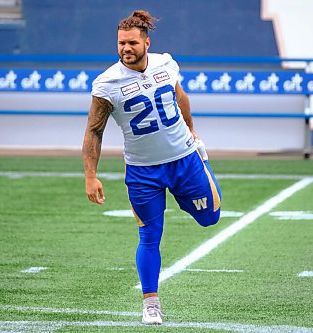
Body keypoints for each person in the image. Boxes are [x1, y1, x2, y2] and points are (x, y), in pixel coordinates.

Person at [82, 10, 222, 325]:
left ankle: (203, 161)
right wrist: (90, 175)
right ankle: (151, 303)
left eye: (132, 42)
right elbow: (94, 131)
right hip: (143, 171)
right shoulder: (107, 83)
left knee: (210, 217)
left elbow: (180, 96)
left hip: (184, 159)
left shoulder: (166, 64)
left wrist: (191, 129)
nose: (125, 48)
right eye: (121, 43)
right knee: (148, 236)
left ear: (147, 41)